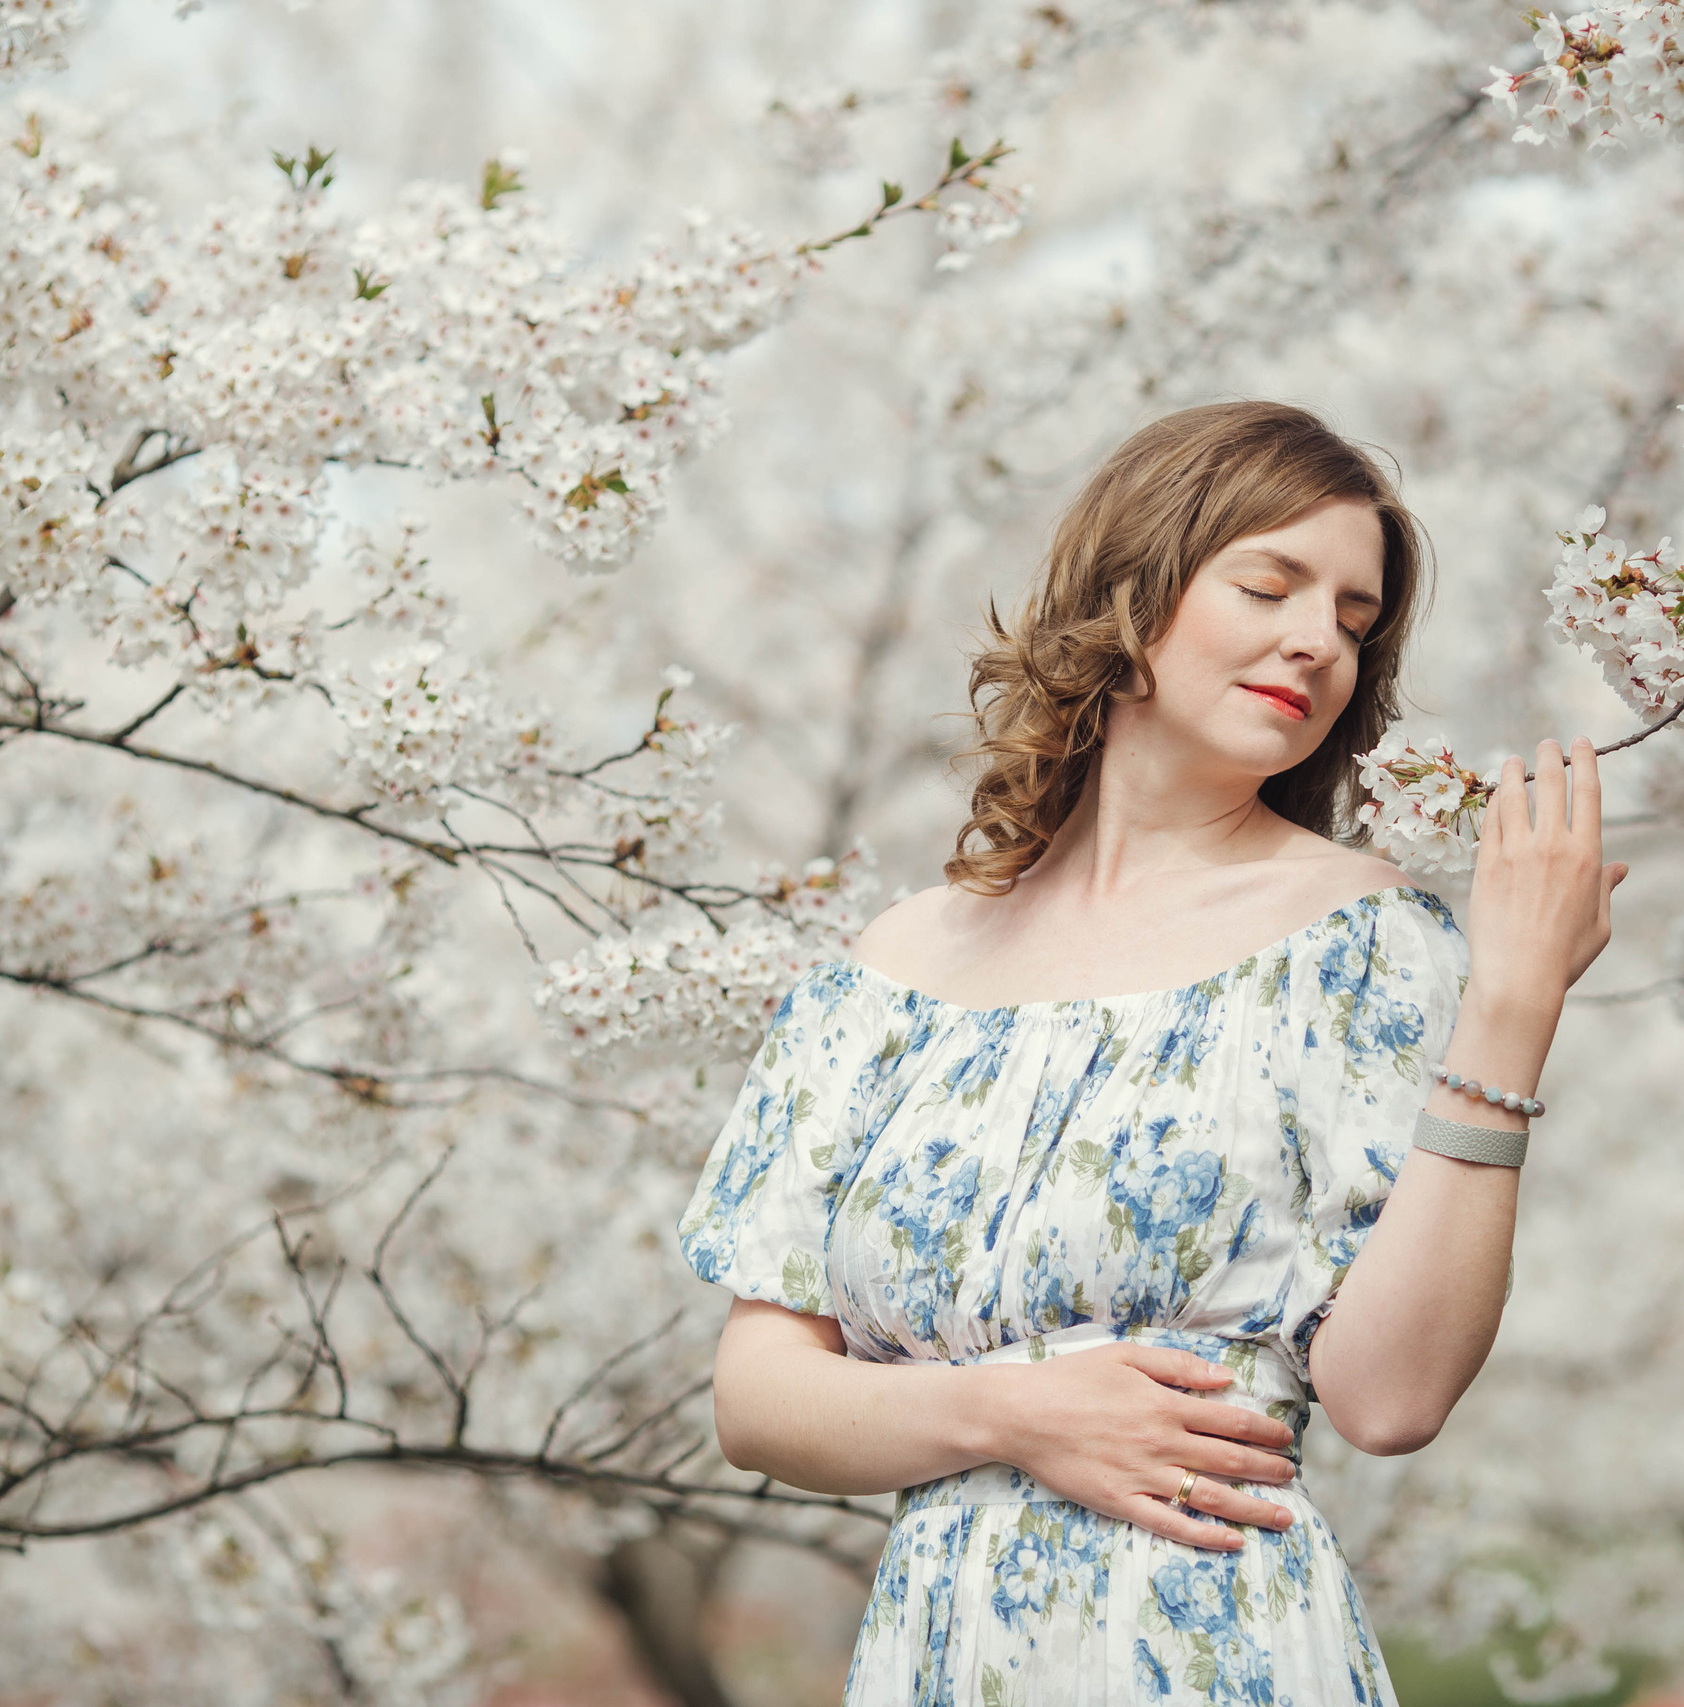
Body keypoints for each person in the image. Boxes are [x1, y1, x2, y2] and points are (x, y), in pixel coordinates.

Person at [678, 401, 1628, 1705]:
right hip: (941, 1664)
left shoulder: (1359, 944)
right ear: (1136, 589)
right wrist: (1010, 1412)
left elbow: (1389, 1396)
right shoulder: (888, 972)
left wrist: (1513, 1003)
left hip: (1214, 1650)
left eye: (1354, 623)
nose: (1317, 641)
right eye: (1271, 583)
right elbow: (759, 1395)